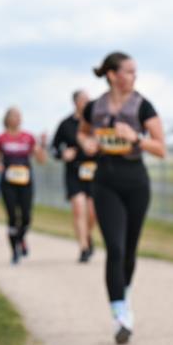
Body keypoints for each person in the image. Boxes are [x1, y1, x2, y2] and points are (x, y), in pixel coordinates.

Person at [79, 52, 165, 345]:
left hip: (136, 182)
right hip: (105, 182)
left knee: (129, 249)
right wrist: (88, 142)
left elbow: (161, 148)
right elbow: (83, 133)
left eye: (135, 73)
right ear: (112, 75)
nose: (133, 77)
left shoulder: (143, 106)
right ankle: (119, 314)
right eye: (129, 72)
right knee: (114, 248)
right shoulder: (94, 107)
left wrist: (136, 138)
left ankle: (124, 294)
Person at [0, 108, 46, 264]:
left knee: (27, 216)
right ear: (7, 119)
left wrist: (41, 144)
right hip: (8, 182)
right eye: (14, 116)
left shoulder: (28, 138)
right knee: (12, 216)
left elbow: (41, 159)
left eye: (19, 116)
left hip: (25, 181)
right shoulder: (1, 138)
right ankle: (14, 249)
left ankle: (21, 238)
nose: (17, 119)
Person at [52, 89, 98, 262]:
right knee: (79, 209)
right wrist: (63, 154)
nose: (86, 102)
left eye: (88, 99)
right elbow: (54, 148)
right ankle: (83, 248)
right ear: (75, 102)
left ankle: (87, 235)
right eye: (83, 100)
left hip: (94, 172)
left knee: (92, 213)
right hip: (74, 172)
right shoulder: (65, 124)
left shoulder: (97, 123)